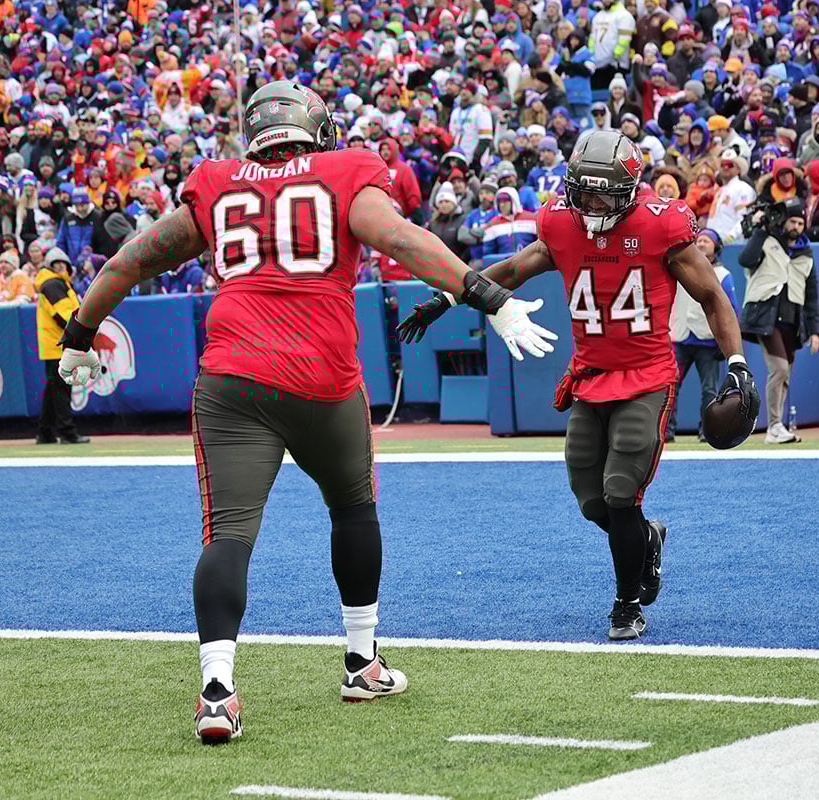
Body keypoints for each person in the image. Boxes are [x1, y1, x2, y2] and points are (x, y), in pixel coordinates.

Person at [55, 82, 556, 744]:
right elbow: (401, 238)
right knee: (354, 506)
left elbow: (133, 257)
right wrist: (487, 295)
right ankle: (360, 661)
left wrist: (79, 332)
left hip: (234, 377)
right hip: (323, 376)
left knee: (228, 533)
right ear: (315, 129)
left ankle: (217, 691)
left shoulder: (217, 181)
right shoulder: (346, 168)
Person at [397, 130, 756, 641]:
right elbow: (515, 268)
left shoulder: (660, 226)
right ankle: (646, 542)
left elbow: (714, 298)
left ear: (629, 190)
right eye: (581, 193)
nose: (589, 205)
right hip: (590, 376)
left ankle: (627, 602)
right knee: (591, 500)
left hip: (647, 375)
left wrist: (737, 363)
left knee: (619, 491)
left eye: (601, 195)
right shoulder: (562, 222)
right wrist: (450, 295)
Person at [738, 197, 819, 444]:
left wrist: (815, 330)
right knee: (779, 369)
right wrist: (759, 230)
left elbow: (812, 295)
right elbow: (745, 259)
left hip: (793, 321)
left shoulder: (806, 253)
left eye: (800, 222)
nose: (795, 226)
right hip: (766, 316)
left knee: (784, 374)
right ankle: (774, 426)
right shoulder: (767, 239)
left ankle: (777, 426)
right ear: (784, 222)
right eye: (792, 221)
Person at [666, 229, 740, 442]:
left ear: (716, 247)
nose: (702, 244)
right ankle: (667, 430)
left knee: (709, 389)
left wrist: (724, 341)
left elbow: (731, 309)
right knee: (671, 385)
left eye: (707, 241)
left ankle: (706, 430)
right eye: (699, 240)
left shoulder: (723, 274)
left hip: (707, 339)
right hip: (680, 336)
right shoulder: (677, 266)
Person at [35, 247, 90, 445]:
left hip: (55, 344)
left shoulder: (56, 283)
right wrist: (80, 333)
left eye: (62, 264)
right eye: (56, 264)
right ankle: (66, 432)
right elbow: (65, 315)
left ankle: (45, 432)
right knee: (61, 390)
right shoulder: (53, 284)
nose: (60, 267)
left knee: (53, 389)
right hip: (58, 344)